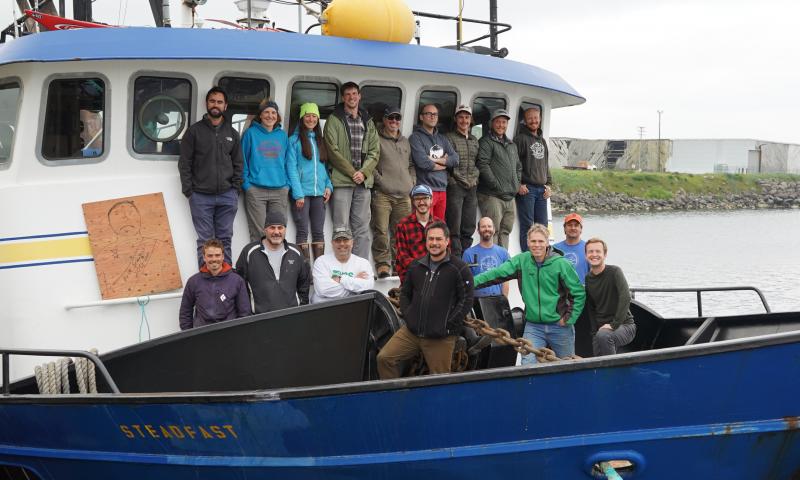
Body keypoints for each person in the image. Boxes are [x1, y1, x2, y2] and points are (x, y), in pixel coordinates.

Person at [473, 224, 585, 364]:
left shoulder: (561, 264)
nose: (536, 245)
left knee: (566, 366)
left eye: (540, 241)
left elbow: (579, 293)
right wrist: (470, 283)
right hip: (534, 326)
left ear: (547, 242)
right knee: (527, 365)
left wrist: (569, 319)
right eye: (533, 241)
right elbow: (496, 274)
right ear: (527, 243)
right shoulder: (522, 261)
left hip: (559, 326)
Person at [377, 220, 474, 379]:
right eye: (431, 239)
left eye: (438, 239)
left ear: (447, 241)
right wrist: (409, 316)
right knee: (385, 358)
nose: (434, 243)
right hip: (412, 333)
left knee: (440, 380)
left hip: (440, 336)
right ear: (426, 240)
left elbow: (467, 299)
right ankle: (394, 400)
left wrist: (448, 325)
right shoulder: (416, 266)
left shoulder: (459, 268)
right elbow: (405, 294)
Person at [179, 86, 243, 266]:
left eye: (219, 102)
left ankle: (227, 280)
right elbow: (184, 163)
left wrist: (235, 190)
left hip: (226, 195)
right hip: (200, 196)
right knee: (205, 241)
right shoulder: (194, 132)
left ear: (225, 106)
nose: (216, 105)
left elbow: (239, 164)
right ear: (207, 104)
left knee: (225, 240)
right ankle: (205, 281)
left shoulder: (232, 134)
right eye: (212, 101)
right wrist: (189, 190)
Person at [323, 82, 380, 259]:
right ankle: (342, 266)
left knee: (362, 228)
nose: (351, 97)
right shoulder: (334, 120)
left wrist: (363, 172)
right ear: (343, 97)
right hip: (342, 182)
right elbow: (333, 151)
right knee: (341, 228)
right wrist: (352, 172)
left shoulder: (367, 120)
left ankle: (360, 267)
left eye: (354, 93)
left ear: (359, 95)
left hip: (363, 182)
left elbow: (375, 150)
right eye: (348, 94)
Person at [241, 99, 303, 242]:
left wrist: (287, 185)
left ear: (277, 116)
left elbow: (288, 163)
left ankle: (277, 264)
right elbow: (242, 160)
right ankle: (258, 263)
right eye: (267, 112)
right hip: (256, 190)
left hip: (279, 190)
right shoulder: (250, 134)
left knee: (278, 233)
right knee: (259, 233)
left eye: (273, 112)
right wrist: (247, 186)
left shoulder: (282, 135)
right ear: (260, 115)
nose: (270, 116)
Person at [235, 211, 310, 313]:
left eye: (280, 228)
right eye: (272, 227)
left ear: (285, 229)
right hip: (260, 318)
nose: (276, 232)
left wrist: (301, 307)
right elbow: (240, 284)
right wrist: (248, 312)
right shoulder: (249, 252)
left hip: (292, 315)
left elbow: (304, 283)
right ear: (265, 229)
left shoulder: (295, 252)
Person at [371, 107, 415, 278]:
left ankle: (399, 264)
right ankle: (383, 264)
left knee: (401, 232)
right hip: (383, 194)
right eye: (391, 118)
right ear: (384, 120)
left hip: (404, 196)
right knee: (381, 230)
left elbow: (411, 164)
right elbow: (370, 162)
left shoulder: (405, 141)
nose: (394, 122)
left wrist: (412, 181)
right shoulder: (377, 138)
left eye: (397, 118)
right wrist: (380, 181)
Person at [287, 102, 332, 264]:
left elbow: (325, 168)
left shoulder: (321, 141)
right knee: (302, 231)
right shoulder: (294, 140)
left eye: (314, 116)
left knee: (319, 233)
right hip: (302, 195)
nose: (311, 119)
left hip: (319, 194)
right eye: (307, 116)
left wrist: (328, 186)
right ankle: (305, 273)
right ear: (302, 118)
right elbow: (291, 168)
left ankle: (319, 270)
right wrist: (298, 194)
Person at [179, 239, 251, 330]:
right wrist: (188, 335)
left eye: (217, 255)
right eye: (210, 256)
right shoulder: (193, 282)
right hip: (202, 335)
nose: (214, 259)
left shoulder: (237, 281)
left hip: (230, 334)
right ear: (204, 257)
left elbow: (245, 312)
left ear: (223, 256)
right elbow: (185, 312)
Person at [476, 109, 522, 249]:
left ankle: (503, 263)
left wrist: (516, 184)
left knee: (506, 231)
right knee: (492, 231)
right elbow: (482, 164)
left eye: (504, 122)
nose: (501, 125)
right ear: (492, 123)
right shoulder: (486, 142)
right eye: (498, 122)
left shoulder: (511, 145)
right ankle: (493, 265)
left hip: (510, 196)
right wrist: (496, 185)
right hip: (492, 195)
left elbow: (518, 167)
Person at [584, 237, 637, 356]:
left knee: (603, 335)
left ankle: (613, 370)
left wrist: (614, 324)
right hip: (601, 330)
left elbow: (625, 297)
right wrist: (593, 331)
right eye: (590, 251)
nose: (594, 254)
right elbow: (591, 307)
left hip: (625, 326)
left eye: (598, 251)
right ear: (586, 255)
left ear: (605, 254)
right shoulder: (588, 278)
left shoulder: (614, 272)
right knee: (597, 350)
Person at [409, 103, 459, 220]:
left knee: (438, 228)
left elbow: (455, 159)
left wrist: (433, 159)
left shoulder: (442, 139)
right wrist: (444, 162)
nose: (432, 117)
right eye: (429, 114)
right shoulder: (415, 137)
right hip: (425, 191)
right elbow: (423, 162)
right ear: (421, 117)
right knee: (425, 226)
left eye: (435, 114)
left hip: (442, 190)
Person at [514, 106, 552, 251]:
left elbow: (545, 165)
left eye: (536, 118)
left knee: (543, 226)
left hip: (541, 191)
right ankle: (527, 257)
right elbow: (514, 164)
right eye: (530, 118)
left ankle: (544, 256)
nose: (533, 121)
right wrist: (518, 184)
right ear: (525, 120)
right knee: (527, 226)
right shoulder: (520, 139)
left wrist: (549, 185)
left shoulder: (542, 141)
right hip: (527, 190)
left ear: (540, 119)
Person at [445, 104, 480, 257]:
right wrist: (452, 180)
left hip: (472, 187)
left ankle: (465, 254)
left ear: (471, 120)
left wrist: (475, 178)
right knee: (454, 224)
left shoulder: (474, 140)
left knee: (469, 224)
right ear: (455, 119)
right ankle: (456, 256)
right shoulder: (449, 138)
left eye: (467, 117)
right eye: (461, 117)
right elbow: (446, 162)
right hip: (455, 186)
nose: (464, 120)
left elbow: (478, 162)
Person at [311, 226, 375, 304]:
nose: (342, 244)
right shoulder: (321, 261)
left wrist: (341, 279)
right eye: (338, 240)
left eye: (345, 240)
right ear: (332, 243)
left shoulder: (363, 263)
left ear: (352, 242)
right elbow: (323, 290)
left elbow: (368, 287)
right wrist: (354, 286)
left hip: (353, 308)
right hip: (325, 310)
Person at [394, 184, 442, 283]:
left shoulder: (440, 224)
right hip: (413, 279)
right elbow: (402, 257)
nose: (421, 202)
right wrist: (424, 268)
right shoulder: (403, 225)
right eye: (417, 199)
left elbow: (446, 252)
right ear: (413, 201)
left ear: (431, 200)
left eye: (425, 198)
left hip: (437, 278)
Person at [463, 217, 511, 298]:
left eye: (489, 226)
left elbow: (506, 281)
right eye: (483, 226)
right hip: (476, 302)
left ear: (494, 229)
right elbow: (466, 281)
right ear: (478, 230)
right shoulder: (468, 254)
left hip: (497, 300)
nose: (487, 229)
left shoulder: (503, 253)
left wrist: (504, 301)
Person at [553, 212, 590, 284]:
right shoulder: (554, 249)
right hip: (560, 293)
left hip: (581, 293)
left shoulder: (588, 248)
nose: (573, 228)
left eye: (576, 225)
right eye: (569, 225)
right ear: (564, 229)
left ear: (581, 229)